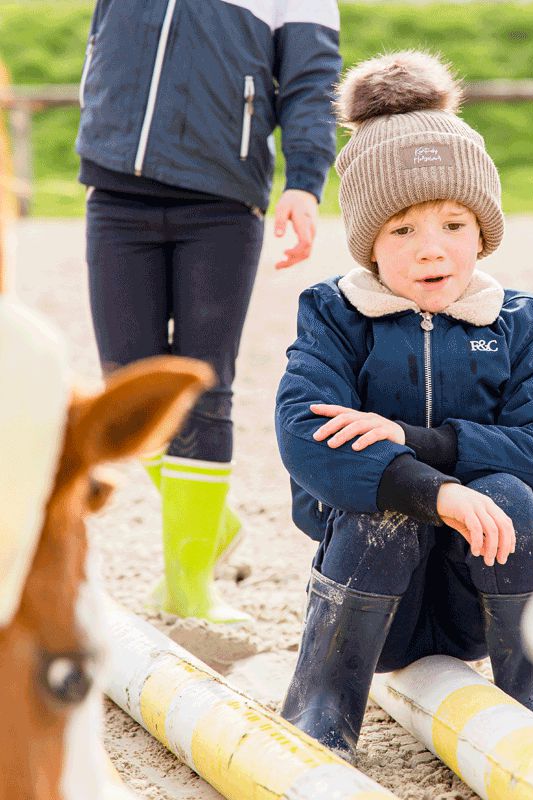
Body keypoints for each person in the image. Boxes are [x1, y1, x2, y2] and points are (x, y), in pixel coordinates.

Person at [274, 50, 533, 761]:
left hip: (477, 598)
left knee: (509, 493)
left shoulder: (518, 320)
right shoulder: (334, 315)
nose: (432, 250)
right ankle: (321, 707)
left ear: (482, 231)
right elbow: (306, 433)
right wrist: (431, 492)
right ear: (367, 244)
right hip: (373, 606)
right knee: (375, 504)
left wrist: (430, 446)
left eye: (454, 224)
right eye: (402, 230)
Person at [75, 1, 342, 623]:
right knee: (129, 386)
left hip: (221, 202)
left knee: (203, 388)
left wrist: (303, 180)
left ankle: (188, 583)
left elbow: (312, 83)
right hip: (114, 187)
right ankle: (208, 518)